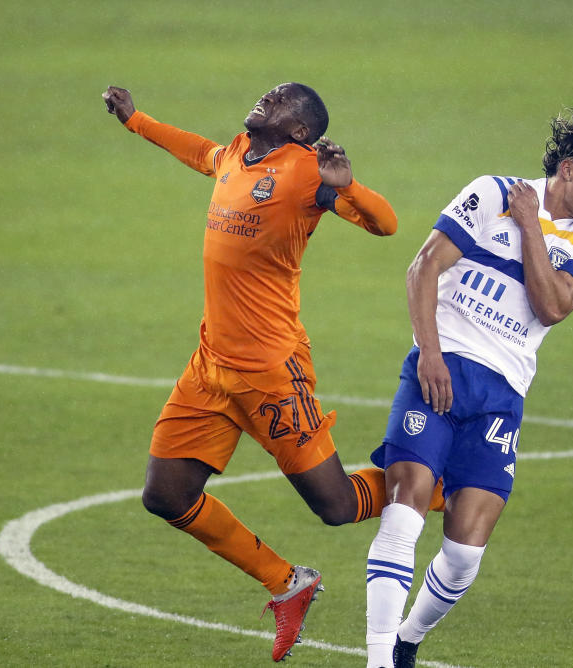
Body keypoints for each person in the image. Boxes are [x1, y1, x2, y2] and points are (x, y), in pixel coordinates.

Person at [102, 83, 439, 662]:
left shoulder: (310, 172)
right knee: (166, 494)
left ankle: (437, 484)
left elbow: (386, 225)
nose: (267, 95)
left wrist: (347, 185)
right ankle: (288, 584)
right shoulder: (237, 151)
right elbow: (199, 151)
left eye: (281, 98)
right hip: (210, 367)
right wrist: (137, 121)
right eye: (270, 91)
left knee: (334, 506)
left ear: (301, 130)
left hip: (272, 373)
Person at [363, 100, 573, 667]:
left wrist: (529, 227)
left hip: (502, 397)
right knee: (405, 509)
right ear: (568, 169)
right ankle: (376, 660)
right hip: (440, 373)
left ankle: (406, 641)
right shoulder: (491, 192)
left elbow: (551, 307)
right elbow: (423, 268)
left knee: (465, 550)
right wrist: (430, 354)